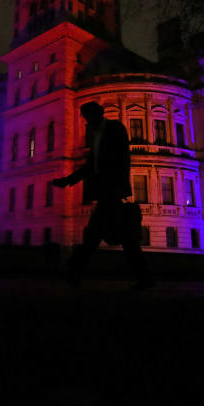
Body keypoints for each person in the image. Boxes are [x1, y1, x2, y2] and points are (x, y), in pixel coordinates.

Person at [52, 101, 153, 290]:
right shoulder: (99, 134)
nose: (86, 121)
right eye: (85, 117)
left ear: (96, 114)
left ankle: (75, 271)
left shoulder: (113, 129)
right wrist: (67, 181)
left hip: (111, 193)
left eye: (87, 117)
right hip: (107, 193)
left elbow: (120, 159)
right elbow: (91, 166)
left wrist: (114, 185)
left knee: (100, 237)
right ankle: (76, 272)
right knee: (116, 238)